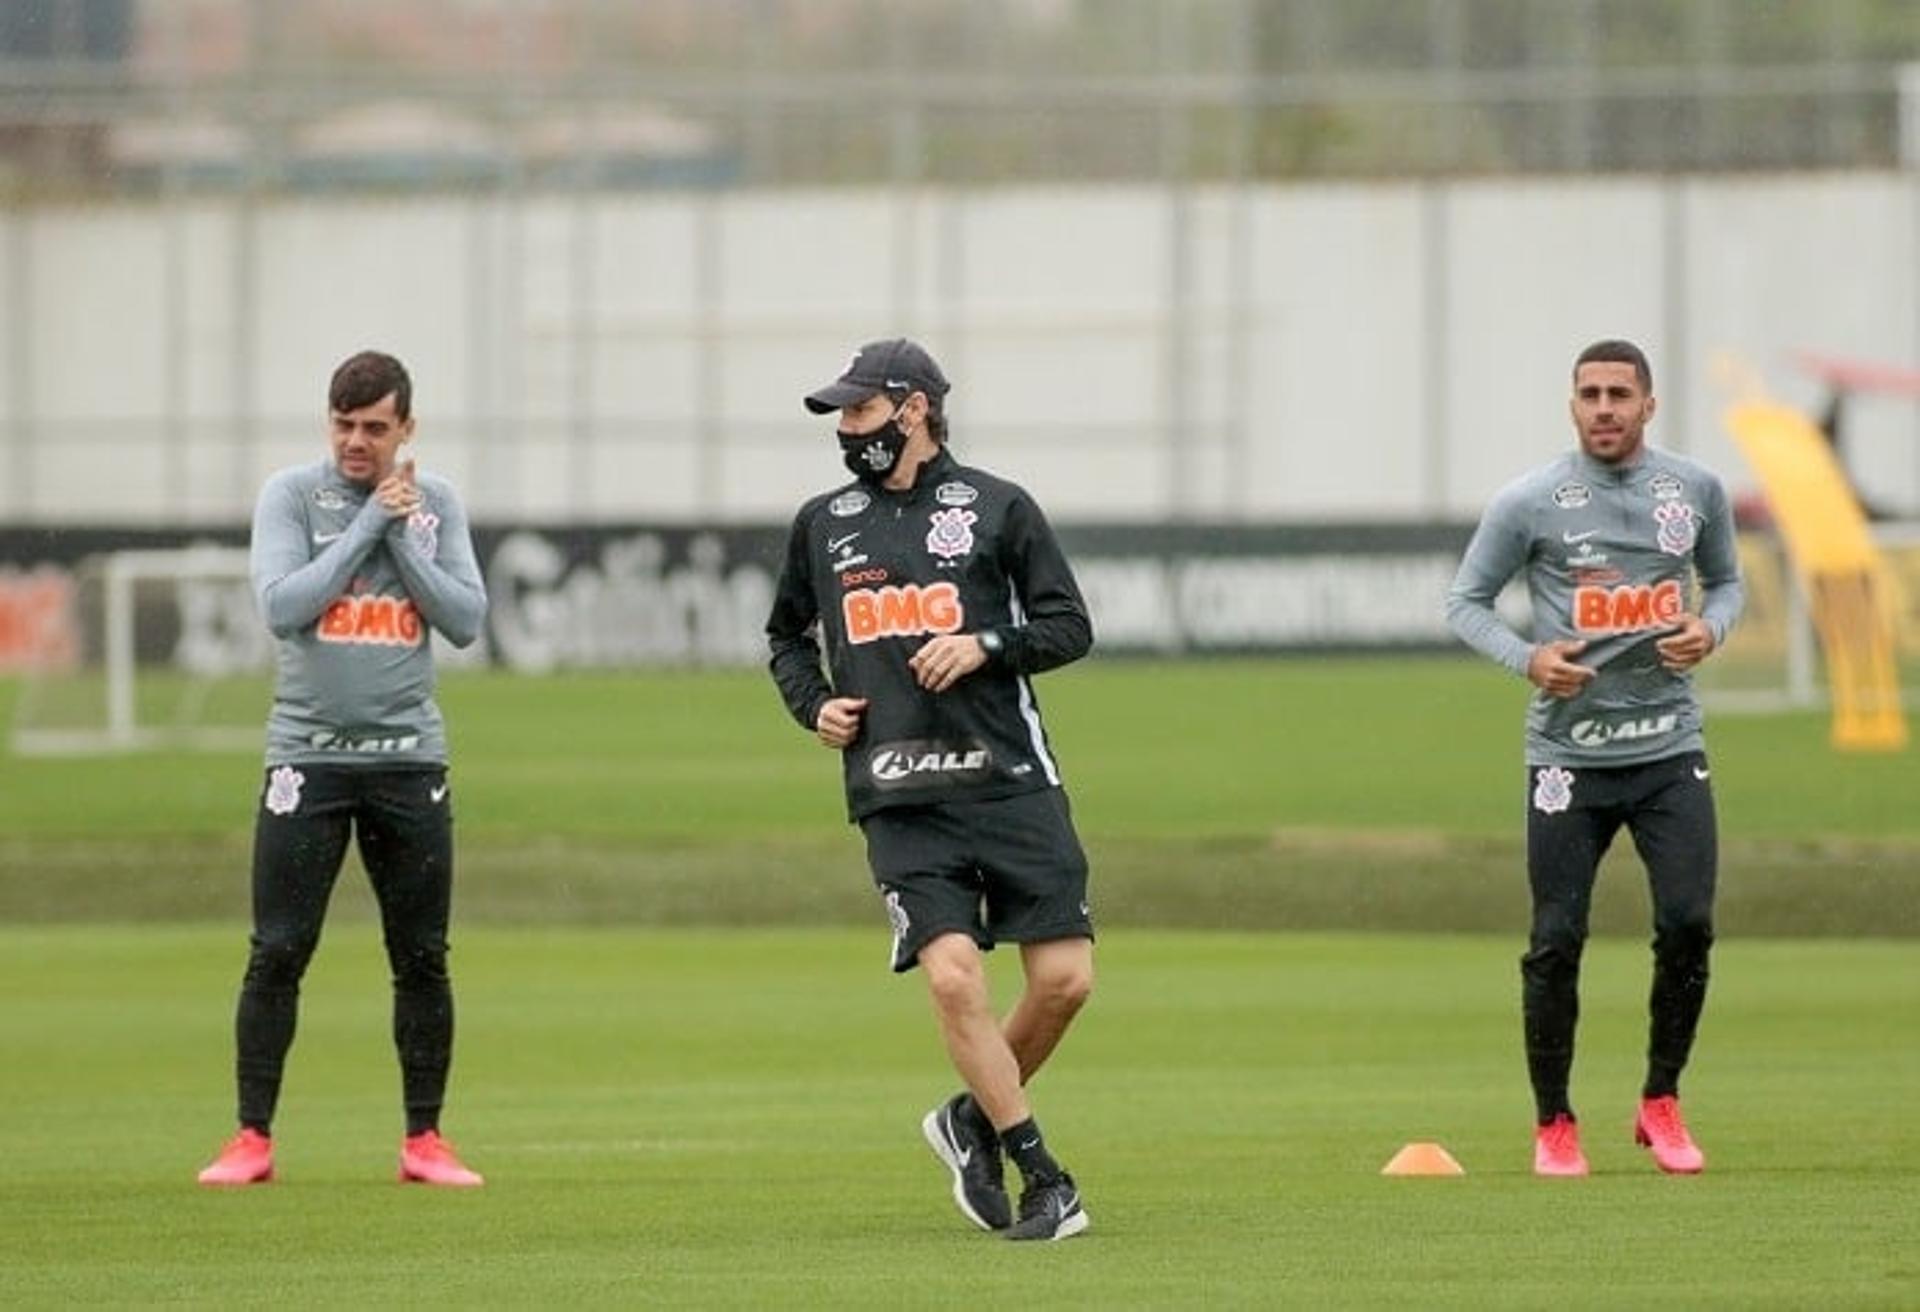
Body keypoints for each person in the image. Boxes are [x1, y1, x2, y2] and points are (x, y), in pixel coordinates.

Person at [767, 338, 1096, 1240]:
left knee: (1065, 982)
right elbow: (787, 639)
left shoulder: (998, 506)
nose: (847, 431)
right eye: (841, 415)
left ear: (913, 409)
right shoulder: (822, 523)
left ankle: (969, 1118)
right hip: (899, 792)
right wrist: (815, 707)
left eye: (861, 412)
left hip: (1010, 781)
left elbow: (1071, 626)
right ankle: (1044, 1177)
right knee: (955, 978)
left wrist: (985, 645)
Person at [1446, 338, 1744, 1177]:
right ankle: (1554, 1122)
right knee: (1556, 938)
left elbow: (1726, 583)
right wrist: (1528, 659)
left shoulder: (1695, 491)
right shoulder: (1531, 502)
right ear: (1571, 405)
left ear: (1649, 404)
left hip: (1668, 748)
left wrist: (1710, 627)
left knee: (1688, 924)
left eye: (1620, 393)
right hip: (1566, 759)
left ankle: (1660, 1101)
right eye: (1589, 393)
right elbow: (1465, 602)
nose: (1604, 407)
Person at [197, 350, 489, 1188]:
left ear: (406, 429)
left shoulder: (435, 505)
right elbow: (283, 607)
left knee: (423, 955)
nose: (355, 442)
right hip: (306, 759)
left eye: (373, 428)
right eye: (342, 424)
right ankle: (251, 1138)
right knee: (278, 949)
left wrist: (402, 536)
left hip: (409, 761)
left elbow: (466, 620)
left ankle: (424, 1141)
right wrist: (368, 525)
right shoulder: (292, 496)